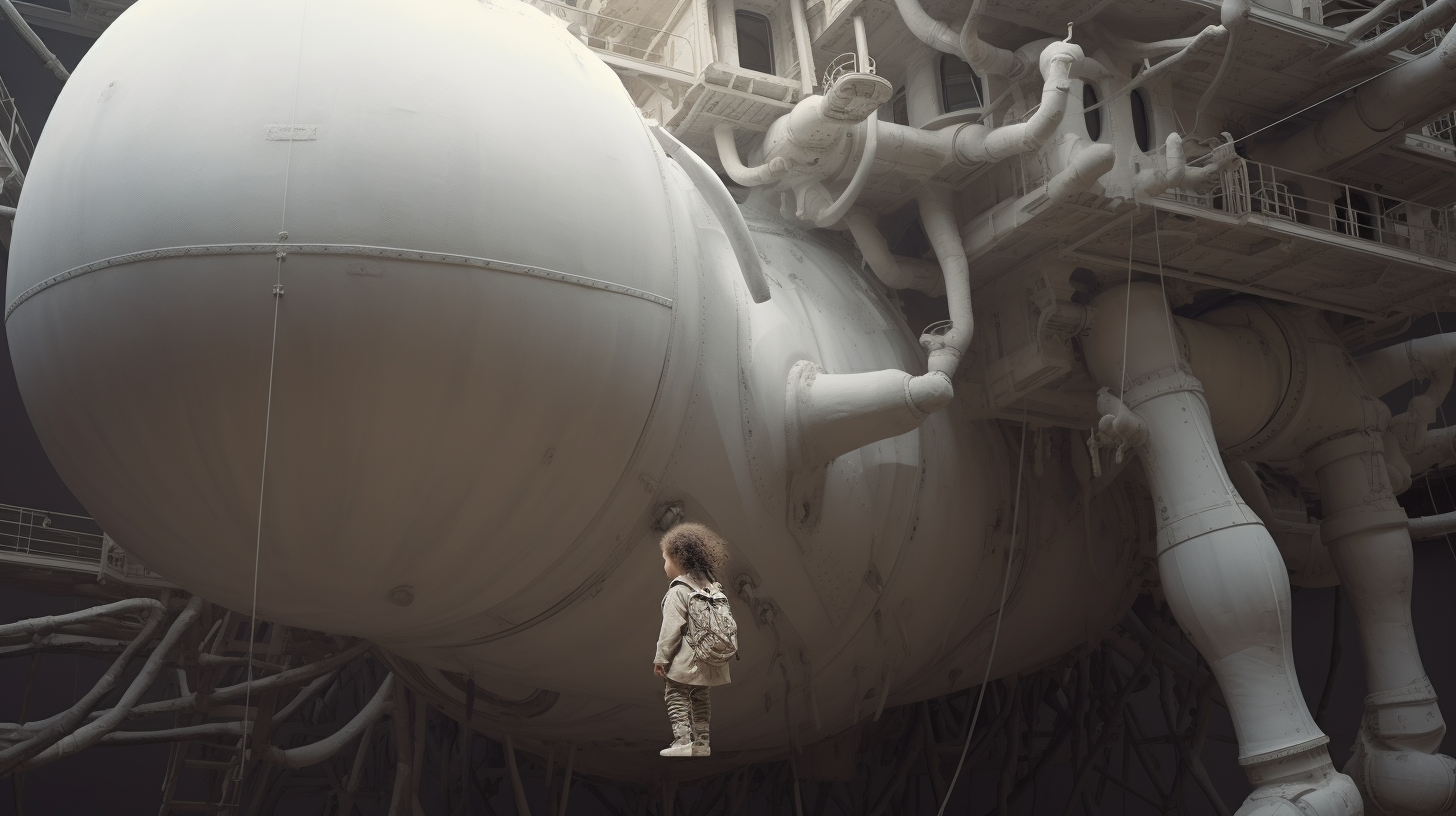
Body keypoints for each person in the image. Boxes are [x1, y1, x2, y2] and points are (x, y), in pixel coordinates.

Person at [653, 522, 732, 757]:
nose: (664, 564)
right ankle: (702, 743)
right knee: (700, 696)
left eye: (666, 558)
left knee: (675, 692)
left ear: (678, 559)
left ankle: (682, 740)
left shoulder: (678, 590)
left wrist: (661, 659)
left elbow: (671, 629)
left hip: (688, 657)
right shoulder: (712, 588)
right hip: (711, 656)